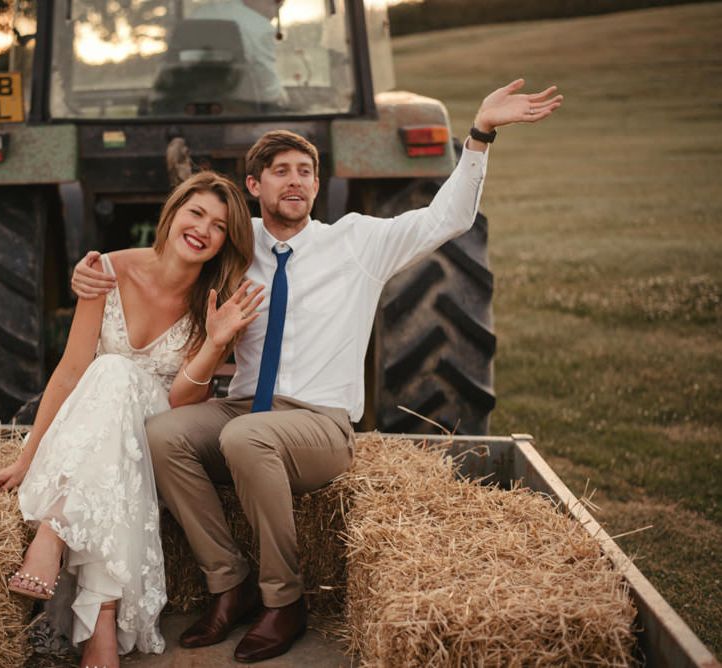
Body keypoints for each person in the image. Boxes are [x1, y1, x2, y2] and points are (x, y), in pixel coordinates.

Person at [70, 79, 563, 663]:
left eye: (306, 170)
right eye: (280, 170)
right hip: (244, 409)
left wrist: (479, 134)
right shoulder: (235, 247)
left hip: (319, 424)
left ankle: (285, 600)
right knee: (163, 434)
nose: (296, 179)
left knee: (244, 436)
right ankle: (230, 584)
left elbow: (446, 218)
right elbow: (166, 260)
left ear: (317, 184)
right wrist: (94, 271)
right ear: (253, 187)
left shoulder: (356, 243)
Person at [0, 171, 263, 668]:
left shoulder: (213, 302)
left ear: (226, 242)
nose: (203, 229)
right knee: (107, 380)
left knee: (115, 371)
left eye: (220, 226)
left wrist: (218, 342)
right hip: (105, 441)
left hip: (152, 430)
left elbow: (183, 401)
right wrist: (27, 457)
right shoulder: (107, 271)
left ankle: (54, 531)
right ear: (173, 213)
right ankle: (102, 628)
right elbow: (71, 371)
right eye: (196, 212)